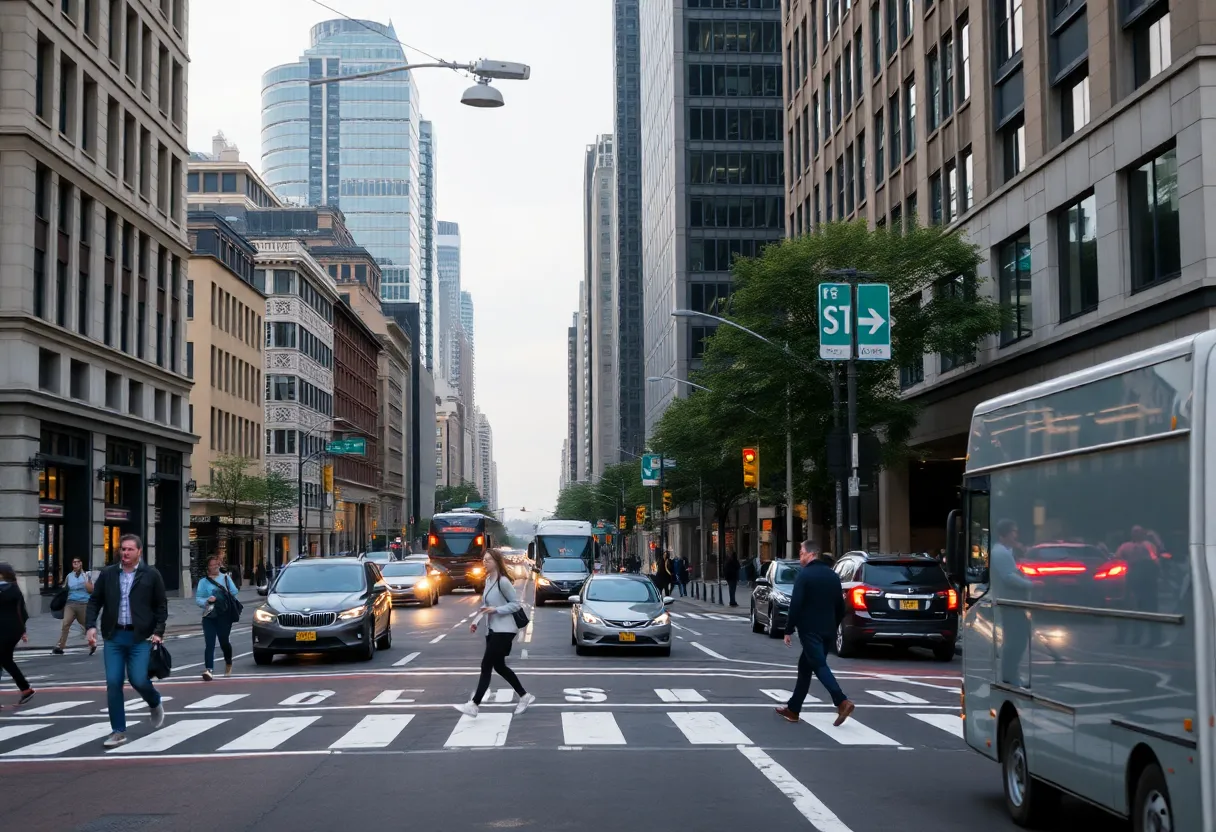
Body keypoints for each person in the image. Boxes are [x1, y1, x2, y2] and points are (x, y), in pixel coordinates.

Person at [86, 533, 168, 749]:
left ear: (139, 552)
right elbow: (95, 601)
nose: (125, 553)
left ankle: (154, 701)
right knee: (113, 682)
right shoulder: (109, 574)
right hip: (114, 636)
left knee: (138, 680)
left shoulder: (151, 575)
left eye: (130, 549)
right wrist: (91, 626)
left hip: (139, 637)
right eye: (123, 549)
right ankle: (118, 731)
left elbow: (161, 606)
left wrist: (158, 631)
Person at [775, 539, 855, 726]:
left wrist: (788, 629)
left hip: (810, 630)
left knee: (818, 665)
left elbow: (795, 605)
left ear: (811, 554)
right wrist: (833, 626)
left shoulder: (805, 575)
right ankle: (793, 709)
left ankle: (841, 701)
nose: (800, 556)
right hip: (828, 630)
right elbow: (841, 607)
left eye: (801, 553)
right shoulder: (833, 576)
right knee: (805, 667)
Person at [456, 548, 535, 717]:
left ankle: (474, 704)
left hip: (505, 630)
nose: (485, 563)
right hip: (493, 629)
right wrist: (476, 621)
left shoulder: (503, 581)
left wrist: (496, 609)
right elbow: (487, 607)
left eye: (488, 560)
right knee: (498, 666)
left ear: (497, 562)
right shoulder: (488, 580)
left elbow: (515, 604)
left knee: (486, 665)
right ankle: (524, 695)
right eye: (484, 560)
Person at [195, 555, 238, 680]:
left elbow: (234, 592)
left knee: (224, 641)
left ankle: (228, 662)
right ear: (207, 567)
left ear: (219, 565)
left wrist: (222, 595)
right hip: (209, 615)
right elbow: (198, 598)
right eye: (211, 565)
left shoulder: (225, 578)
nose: (214, 567)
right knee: (209, 644)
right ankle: (209, 670)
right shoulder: (203, 582)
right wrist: (206, 601)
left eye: (216, 564)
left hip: (224, 614)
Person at [0, 563, 35, 706]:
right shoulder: (15, 589)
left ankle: (25, 688)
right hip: (14, 631)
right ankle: (25, 689)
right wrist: (23, 630)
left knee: (5, 660)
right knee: (4, 660)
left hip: (3, 631)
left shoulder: (4, 590)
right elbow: (23, 612)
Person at [53, 557, 94, 655]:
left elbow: (91, 590)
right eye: (74, 562)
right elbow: (65, 589)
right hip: (70, 604)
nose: (75, 564)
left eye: (77, 562)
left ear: (81, 563)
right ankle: (60, 646)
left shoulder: (87, 575)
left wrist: (85, 579)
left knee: (86, 625)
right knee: (65, 624)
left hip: (83, 603)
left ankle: (92, 643)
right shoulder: (69, 576)